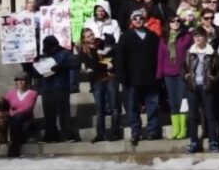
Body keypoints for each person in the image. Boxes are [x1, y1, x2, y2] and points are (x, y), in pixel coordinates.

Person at [115, 9, 162, 146]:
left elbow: (159, 56)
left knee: (152, 105)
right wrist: (122, 75)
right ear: (131, 21)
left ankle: (153, 130)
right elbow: (119, 58)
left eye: (140, 18)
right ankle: (136, 131)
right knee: (133, 107)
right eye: (135, 18)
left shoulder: (152, 36)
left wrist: (159, 75)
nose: (138, 20)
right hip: (132, 79)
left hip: (151, 78)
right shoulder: (126, 37)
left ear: (144, 20)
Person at [183, 27, 219, 153]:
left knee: (210, 115)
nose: (197, 39)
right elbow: (182, 67)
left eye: (200, 36)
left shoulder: (212, 53)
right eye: (195, 37)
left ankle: (213, 142)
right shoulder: (190, 52)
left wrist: (213, 79)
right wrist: (185, 75)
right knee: (193, 116)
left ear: (205, 37)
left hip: (206, 86)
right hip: (192, 87)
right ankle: (194, 142)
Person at [38, 35, 81, 143]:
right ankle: (50, 135)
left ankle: (68, 135)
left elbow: (76, 63)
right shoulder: (43, 55)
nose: (48, 50)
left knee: (64, 113)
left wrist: (61, 66)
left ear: (55, 46)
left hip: (61, 87)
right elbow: (36, 71)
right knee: (48, 114)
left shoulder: (65, 53)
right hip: (46, 88)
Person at [79, 28, 120, 142]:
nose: (91, 37)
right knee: (99, 108)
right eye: (87, 36)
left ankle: (115, 132)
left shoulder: (101, 43)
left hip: (110, 77)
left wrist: (103, 63)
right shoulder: (83, 50)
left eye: (91, 34)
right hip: (96, 81)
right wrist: (105, 65)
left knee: (114, 107)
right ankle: (100, 133)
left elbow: (112, 54)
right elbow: (92, 64)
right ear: (84, 39)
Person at [156, 16, 192, 141]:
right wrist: (159, 75)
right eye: (173, 21)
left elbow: (189, 53)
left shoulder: (186, 37)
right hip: (168, 74)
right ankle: (175, 129)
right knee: (173, 102)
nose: (175, 23)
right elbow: (160, 57)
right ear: (169, 24)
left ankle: (183, 129)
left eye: (178, 21)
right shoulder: (164, 39)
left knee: (182, 102)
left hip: (181, 73)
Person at [3, 73, 38, 157]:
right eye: (17, 80)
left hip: (27, 119)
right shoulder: (11, 93)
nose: (19, 82)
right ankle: (14, 144)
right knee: (15, 120)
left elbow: (27, 108)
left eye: (22, 80)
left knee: (20, 116)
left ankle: (13, 144)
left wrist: (11, 113)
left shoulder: (32, 93)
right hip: (14, 121)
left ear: (28, 82)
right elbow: (3, 105)